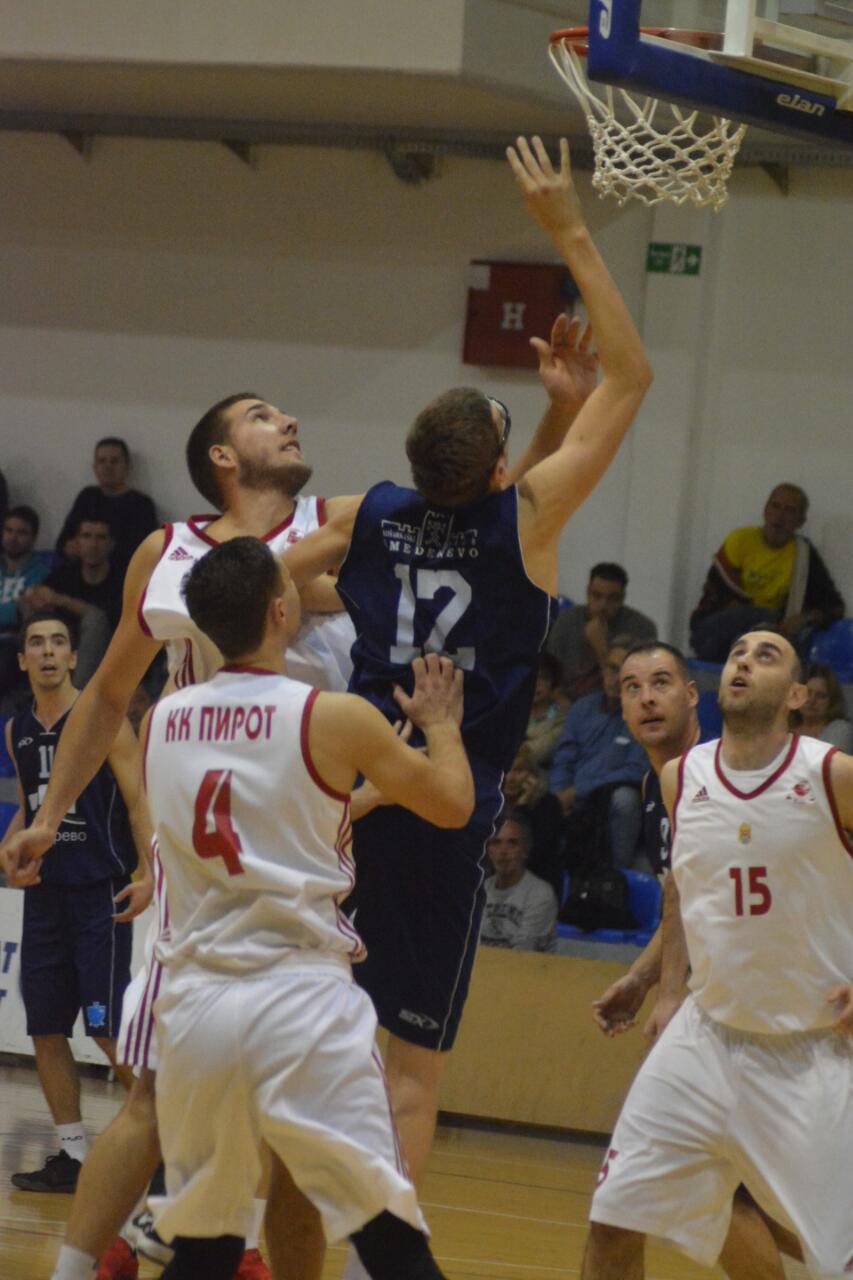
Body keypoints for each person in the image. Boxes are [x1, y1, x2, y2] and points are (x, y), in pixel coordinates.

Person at [280, 134, 652, 1225]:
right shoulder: (525, 521)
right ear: (498, 468)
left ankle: (270, 1223)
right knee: (410, 1065)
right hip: (448, 804)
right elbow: (632, 377)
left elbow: (262, 578)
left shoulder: (368, 512)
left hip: (343, 791)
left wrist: (300, 626)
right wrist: (567, 227)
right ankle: (385, 1247)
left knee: (310, 1037)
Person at [3, 390, 363, 1278]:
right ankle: (94, 1260)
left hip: (312, 855)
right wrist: (47, 815)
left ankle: (196, 1232)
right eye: (261, 415)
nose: (289, 419)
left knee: (298, 1106)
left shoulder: (344, 525)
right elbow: (107, 694)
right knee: (157, 1094)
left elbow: (463, 498)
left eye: (287, 411)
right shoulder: (167, 551)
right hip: (205, 864)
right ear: (221, 458)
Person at [140, 538, 470, 1280]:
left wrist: (354, 801)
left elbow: (256, 811)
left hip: (195, 1003)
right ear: (280, 612)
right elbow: (453, 805)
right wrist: (443, 727)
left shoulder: (160, 720)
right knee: (388, 1239)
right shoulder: (334, 716)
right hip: (297, 996)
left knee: (205, 1247)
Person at [580, 627, 853, 1280]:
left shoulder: (831, 774)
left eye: (766, 656)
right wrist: (653, 982)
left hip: (809, 1051)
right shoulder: (681, 779)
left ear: (796, 695)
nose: (744, 662)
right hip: (703, 1041)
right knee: (614, 1219)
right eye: (736, 653)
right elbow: (686, 892)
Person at [0, 609, 152, 1194]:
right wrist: (10, 844)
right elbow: (30, 804)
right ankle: (73, 1155)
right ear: (22, 660)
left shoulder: (101, 717)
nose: (47, 651)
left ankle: (170, 1144)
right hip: (45, 896)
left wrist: (148, 871)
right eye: (36, 643)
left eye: (58, 642)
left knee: (107, 1029)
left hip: (98, 892)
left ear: (72, 657)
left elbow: (138, 800)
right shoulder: (16, 729)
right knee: (44, 1027)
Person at [690, 483, 845, 661]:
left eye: (789, 510)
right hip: (713, 634)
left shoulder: (803, 554)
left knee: (775, 644)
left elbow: (835, 607)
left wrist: (805, 618)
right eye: (775, 506)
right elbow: (719, 597)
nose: (779, 516)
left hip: (760, 638)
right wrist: (766, 620)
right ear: (765, 511)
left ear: (800, 522)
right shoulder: (740, 540)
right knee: (761, 617)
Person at [549, 637, 648, 869]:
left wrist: (579, 789)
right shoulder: (581, 708)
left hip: (609, 801)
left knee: (625, 798)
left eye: (625, 672)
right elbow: (563, 759)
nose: (616, 678)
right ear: (602, 669)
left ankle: (617, 873)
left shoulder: (644, 715)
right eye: (612, 668)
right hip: (572, 799)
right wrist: (557, 795)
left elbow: (635, 771)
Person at [25, 517, 124, 687]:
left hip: (108, 654)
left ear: (111, 544)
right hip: (65, 648)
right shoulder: (64, 574)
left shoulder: (122, 579)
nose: (93, 544)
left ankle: (77, 696)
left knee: (94, 621)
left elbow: (103, 619)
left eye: (100, 537)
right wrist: (33, 596)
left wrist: (61, 600)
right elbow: (39, 594)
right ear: (76, 543)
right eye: (86, 536)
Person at [546, 564, 657, 702]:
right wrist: (561, 702)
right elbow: (550, 675)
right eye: (596, 596)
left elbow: (633, 684)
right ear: (588, 592)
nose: (603, 605)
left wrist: (600, 647)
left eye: (612, 598)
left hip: (614, 704)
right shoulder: (565, 620)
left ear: (622, 598)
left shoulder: (641, 628)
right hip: (565, 702)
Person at [55, 438, 158, 574]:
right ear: (95, 468)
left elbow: (144, 552)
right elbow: (62, 544)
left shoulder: (142, 504)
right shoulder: (86, 497)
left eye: (114, 461)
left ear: (127, 467)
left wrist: (93, 550)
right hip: (81, 576)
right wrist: (69, 549)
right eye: (102, 461)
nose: (108, 466)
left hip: (122, 577)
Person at [480, 811, 558, 952]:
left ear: (525, 849)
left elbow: (524, 952)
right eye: (496, 842)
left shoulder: (540, 894)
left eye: (512, 843)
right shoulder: (480, 890)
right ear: (488, 850)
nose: (503, 851)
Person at [0, 505, 51, 700]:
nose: (13, 538)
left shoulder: (42, 572)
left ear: (33, 537)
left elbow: (25, 615)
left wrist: (14, 610)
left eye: (21, 533)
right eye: (9, 530)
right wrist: (12, 607)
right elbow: (13, 610)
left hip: (12, 641)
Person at [502, 744, 564, 897]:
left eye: (518, 771)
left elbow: (531, 854)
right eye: (506, 769)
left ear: (532, 775)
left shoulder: (548, 805)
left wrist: (522, 808)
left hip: (537, 886)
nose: (510, 778)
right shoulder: (491, 804)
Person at [794, 660, 853, 752]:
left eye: (821, 696)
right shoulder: (785, 725)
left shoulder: (840, 730)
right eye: (808, 693)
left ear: (832, 701)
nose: (812, 700)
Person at [523, 651, 566, 768]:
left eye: (543, 678)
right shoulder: (514, 713)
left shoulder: (561, 715)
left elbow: (542, 749)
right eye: (532, 676)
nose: (536, 683)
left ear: (553, 682)